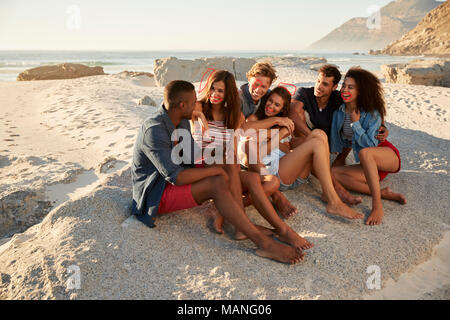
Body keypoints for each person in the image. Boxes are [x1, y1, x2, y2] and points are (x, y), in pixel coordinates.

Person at [130, 80, 304, 263]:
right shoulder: (154, 130)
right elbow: (176, 177)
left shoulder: (178, 119)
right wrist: (216, 172)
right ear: (182, 105)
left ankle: (263, 229)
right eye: (193, 102)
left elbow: (190, 157)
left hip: (179, 173)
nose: (198, 104)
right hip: (157, 193)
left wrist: (221, 156)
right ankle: (263, 244)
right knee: (217, 182)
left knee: (230, 162)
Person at [193, 70, 313, 250]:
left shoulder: (234, 116)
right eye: (213, 89)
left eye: (221, 91)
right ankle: (278, 230)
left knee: (271, 182)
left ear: (229, 95)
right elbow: (174, 104)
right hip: (204, 170)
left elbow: (232, 150)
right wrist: (202, 118)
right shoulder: (199, 107)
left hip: (225, 169)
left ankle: (244, 225)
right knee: (246, 172)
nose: (214, 95)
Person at [242, 86, 364, 221]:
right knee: (316, 142)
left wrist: (281, 139)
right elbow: (256, 154)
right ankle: (334, 201)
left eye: (277, 104)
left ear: (283, 109)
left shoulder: (284, 125)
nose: (271, 106)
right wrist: (279, 134)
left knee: (319, 134)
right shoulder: (255, 119)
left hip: (293, 172)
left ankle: (328, 192)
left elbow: (287, 152)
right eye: (270, 101)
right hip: (276, 173)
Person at [289, 64, 389, 205]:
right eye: (318, 81)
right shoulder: (304, 93)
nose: (318, 86)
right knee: (299, 112)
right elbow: (292, 112)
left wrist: (383, 125)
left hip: (328, 143)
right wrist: (311, 137)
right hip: (306, 138)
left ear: (334, 87)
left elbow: (365, 105)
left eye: (325, 84)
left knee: (346, 121)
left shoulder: (339, 98)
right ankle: (337, 190)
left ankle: (340, 160)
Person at [330, 67, 406, 226]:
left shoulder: (372, 113)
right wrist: (339, 157)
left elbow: (371, 146)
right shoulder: (339, 112)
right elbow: (342, 141)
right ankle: (383, 193)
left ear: (360, 91)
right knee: (333, 173)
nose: (345, 89)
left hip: (385, 157)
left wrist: (356, 123)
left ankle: (377, 206)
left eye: (350, 87)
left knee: (365, 153)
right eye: (344, 86)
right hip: (368, 168)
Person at [239, 61, 298, 218]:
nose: (259, 90)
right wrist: (277, 127)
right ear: (249, 78)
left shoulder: (268, 97)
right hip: (236, 148)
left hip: (259, 155)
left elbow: (283, 147)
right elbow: (243, 130)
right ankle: (276, 194)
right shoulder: (239, 99)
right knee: (248, 142)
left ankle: (274, 191)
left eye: (264, 87)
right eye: (256, 83)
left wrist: (281, 129)